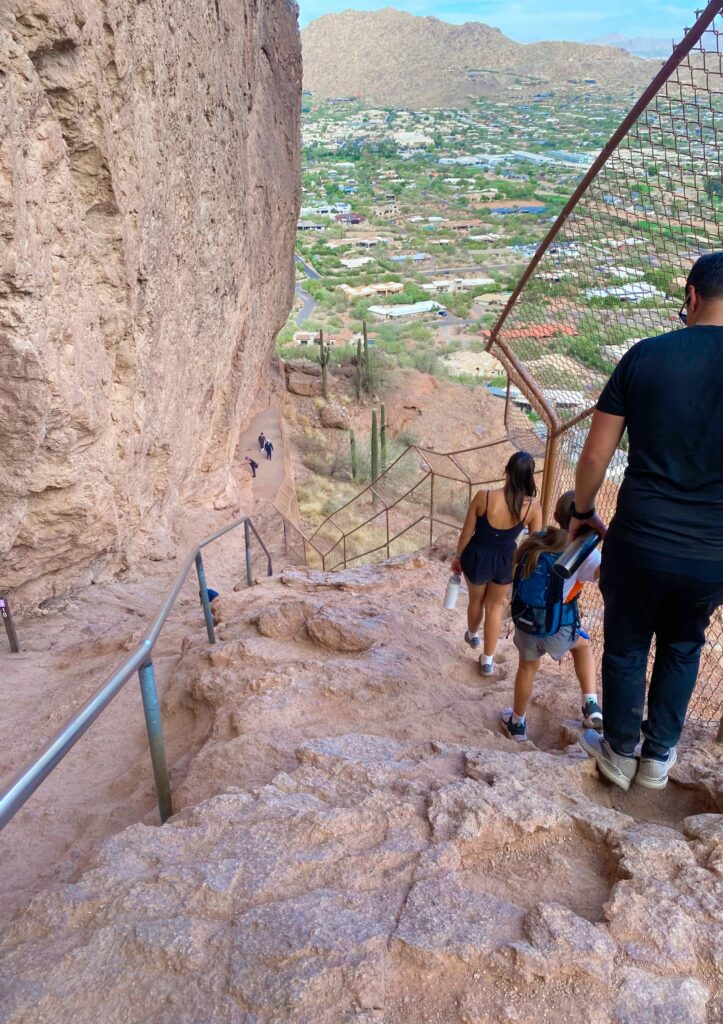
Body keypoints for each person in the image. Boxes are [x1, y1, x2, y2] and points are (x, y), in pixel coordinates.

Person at [571, 251, 723, 791]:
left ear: (691, 297)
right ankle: (658, 758)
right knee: (685, 645)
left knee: (629, 642)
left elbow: (593, 458)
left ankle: (618, 751)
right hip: (712, 553)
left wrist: (584, 512)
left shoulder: (645, 356)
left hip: (640, 539)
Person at [500, 491, 603, 742]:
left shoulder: (535, 540)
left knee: (527, 668)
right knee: (583, 644)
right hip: (558, 630)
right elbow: (604, 575)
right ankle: (590, 705)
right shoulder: (585, 554)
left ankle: (517, 723)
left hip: (525, 624)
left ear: (556, 516)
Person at [452, 451, 542, 675]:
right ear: (530, 476)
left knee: (475, 601)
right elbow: (534, 543)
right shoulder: (532, 508)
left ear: (507, 471)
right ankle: (488, 661)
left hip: (476, 556)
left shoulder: (484, 497)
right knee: (494, 607)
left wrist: (457, 556)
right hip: (506, 561)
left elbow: (466, 533)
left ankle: (473, 635)